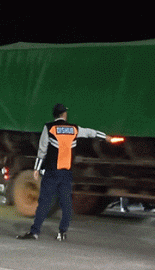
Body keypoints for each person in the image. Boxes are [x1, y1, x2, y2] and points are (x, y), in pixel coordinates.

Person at [17, 103, 112, 241]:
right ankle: (62, 233)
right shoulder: (74, 129)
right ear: (64, 115)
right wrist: (106, 137)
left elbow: (42, 150)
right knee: (66, 204)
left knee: (44, 202)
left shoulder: (49, 128)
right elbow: (91, 132)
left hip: (51, 172)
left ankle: (35, 232)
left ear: (54, 115)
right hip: (66, 173)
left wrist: (37, 168)